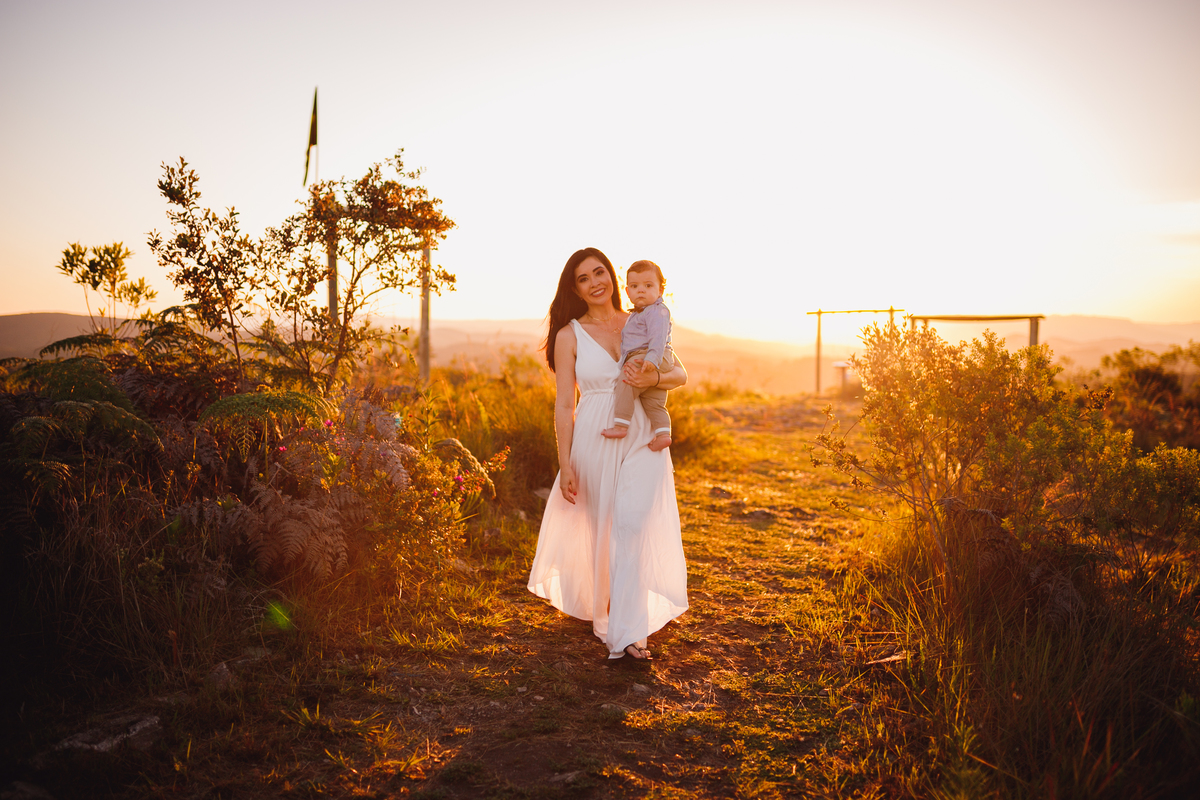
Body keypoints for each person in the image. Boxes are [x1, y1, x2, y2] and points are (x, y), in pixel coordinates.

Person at [527, 247, 689, 662]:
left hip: (644, 433)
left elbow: (680, 373)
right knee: (604, 529)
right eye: (584, 278)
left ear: (613, 276)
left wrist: (653, 373)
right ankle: (613, 613)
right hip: (597, 433)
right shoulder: (569, 335)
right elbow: (565, 404)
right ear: (575, 288)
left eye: (600, 272)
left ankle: (630, 632)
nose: (595, 281)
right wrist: (565, 463)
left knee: (633, 525)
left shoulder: (641, 317)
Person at [601, 259, 674, 452]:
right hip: (651, 356)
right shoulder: (639, 313)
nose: (640, 290)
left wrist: (651, 359)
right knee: (654, 401)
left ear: (660, 291)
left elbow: (658, 339)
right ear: (627, 292)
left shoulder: (657, 311)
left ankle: (621, 425)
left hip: (652, 354)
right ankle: (663, 434)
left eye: (648, 285)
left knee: (627, 379)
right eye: (635, 286)